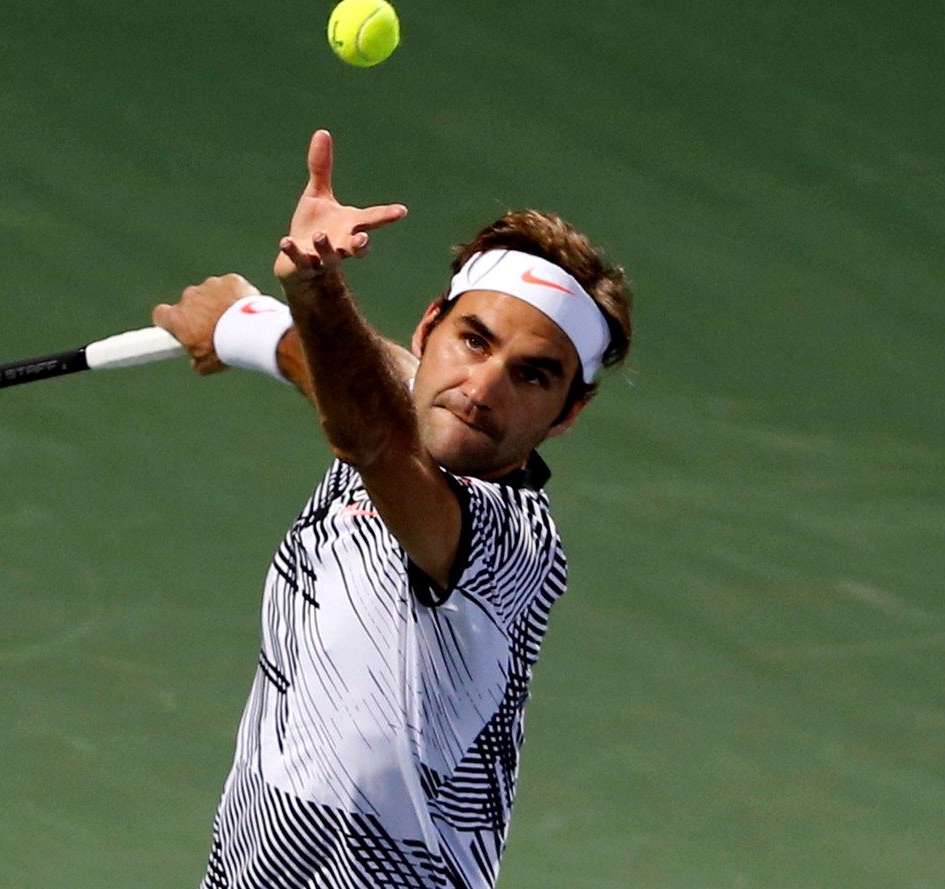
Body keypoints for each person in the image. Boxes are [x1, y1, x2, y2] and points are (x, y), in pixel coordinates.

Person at [151, 130, 632, 889]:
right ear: (428, 327)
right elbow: (370, 379)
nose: (482, 387)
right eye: (474, 339)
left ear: (566, 414)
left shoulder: (511, 545)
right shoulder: (421, 406)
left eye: (533, 377)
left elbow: (373, 430)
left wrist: (307, 290)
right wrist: (244, 323)